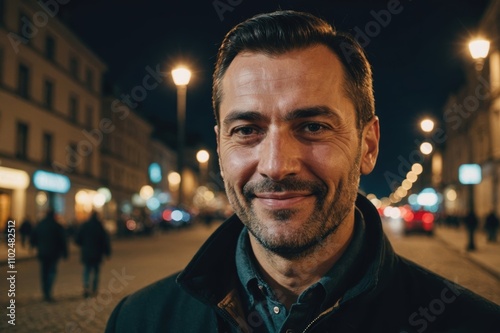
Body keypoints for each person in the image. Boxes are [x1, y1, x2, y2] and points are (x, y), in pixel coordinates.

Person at [106, 11, 500, 332]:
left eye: (312, 127)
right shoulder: (140, 321)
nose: (277, 165)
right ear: (220, 147)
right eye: (246, 131)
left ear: (368, 146)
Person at [30, 209, 68, 302]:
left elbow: (34, 237)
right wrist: (65, 252)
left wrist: (33, 246)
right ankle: (48, 291)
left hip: (43, 252)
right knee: (51, 272)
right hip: (54, 253)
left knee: (44, 272)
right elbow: (62, 240)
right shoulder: (57, 226)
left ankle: (45, 291)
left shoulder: (40, 225)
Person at [75, 210, 111, 298]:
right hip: (97, 253)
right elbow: (105, 241)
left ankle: (86, 287)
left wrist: (83, 245)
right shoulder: (99, 226)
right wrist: (107, 252)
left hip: (87, 252)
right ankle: (94, 289)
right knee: (96, 271)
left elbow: (78, 239)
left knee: (87, 270)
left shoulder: (85, 225)